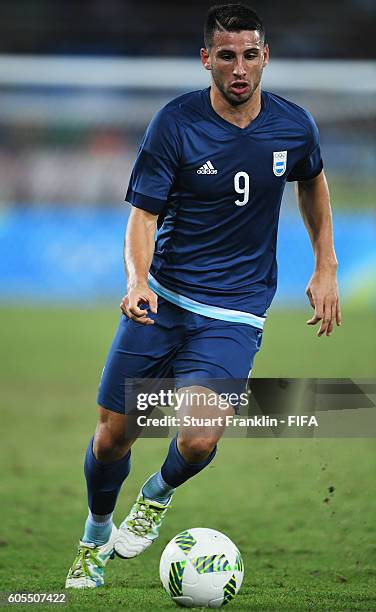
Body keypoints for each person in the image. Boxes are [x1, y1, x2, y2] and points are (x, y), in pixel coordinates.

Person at [65, 3, 341, 588]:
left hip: (234, 311)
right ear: (206, 60)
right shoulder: (175, 124)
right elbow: (143, 215)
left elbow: (312, 181)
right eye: (225, 55)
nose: (238, 68)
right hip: (162, 298)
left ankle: (157, 494)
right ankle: (94, 534)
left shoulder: (295, 126)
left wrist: (325, 264)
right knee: (113, 435)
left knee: (198, 434)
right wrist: (137, 280)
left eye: (249, 54)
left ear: (265, 57)